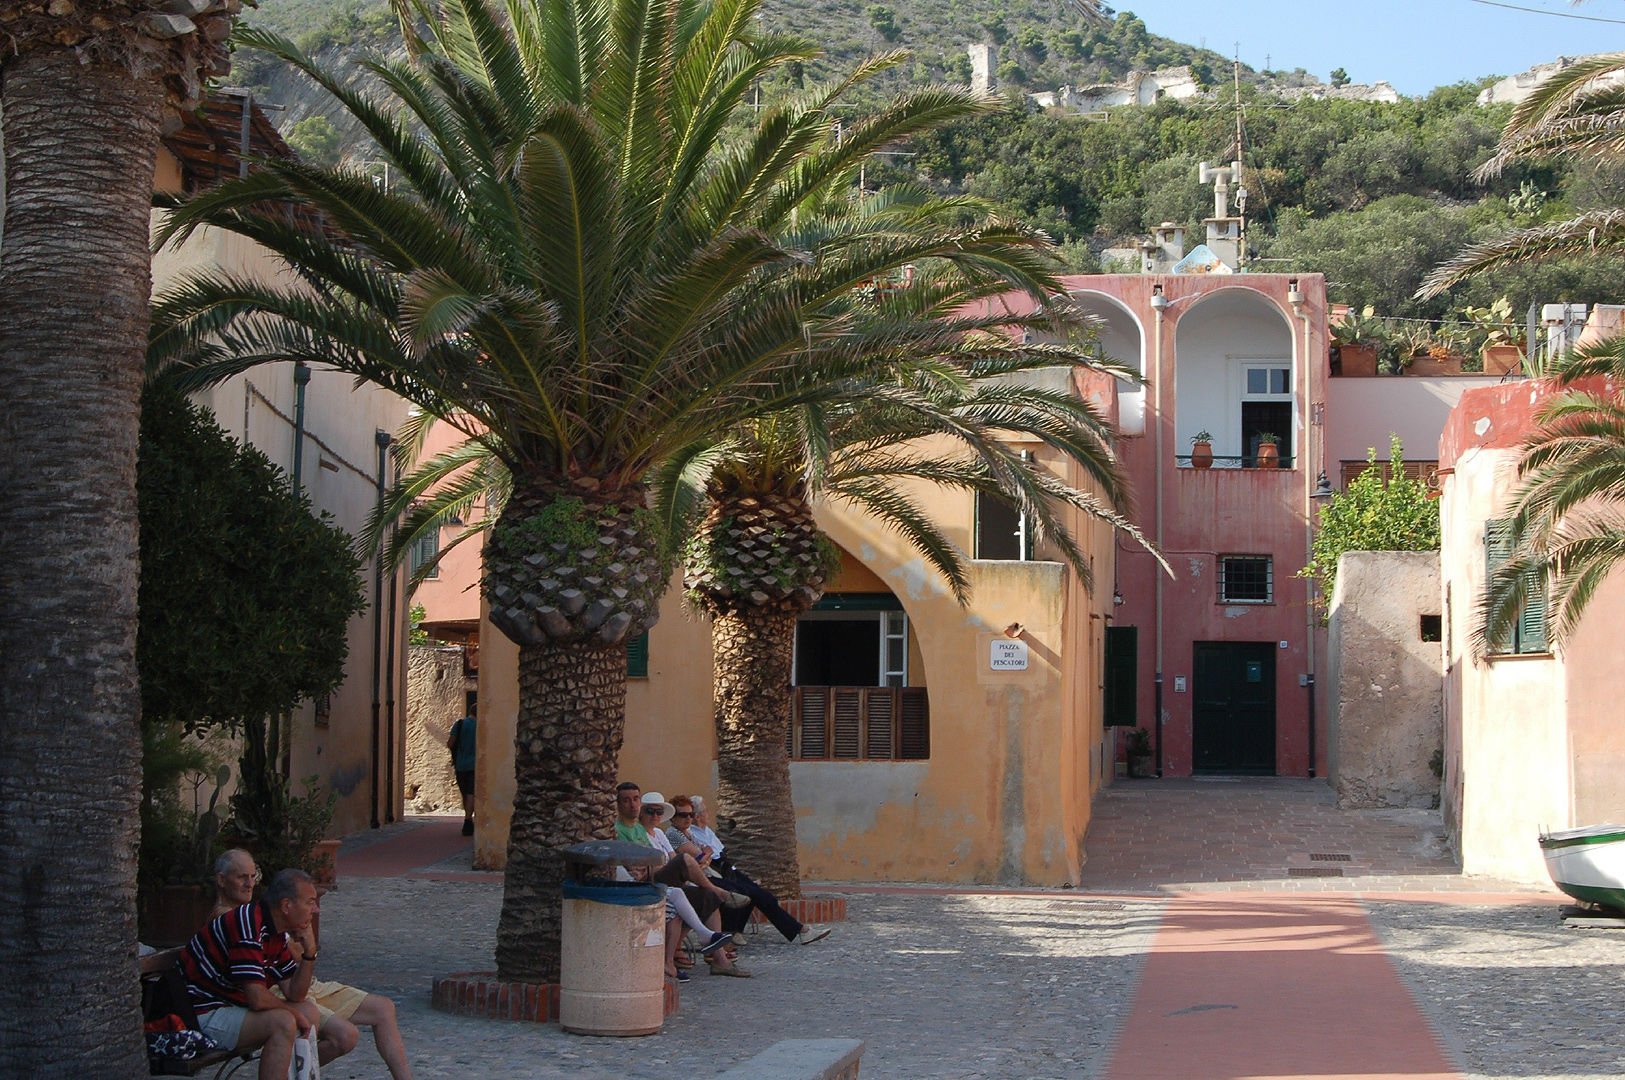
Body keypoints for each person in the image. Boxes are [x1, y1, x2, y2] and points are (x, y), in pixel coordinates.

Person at [208, 850, 414, 1080]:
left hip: (292, 986)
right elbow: (258, 993)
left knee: (382, 1008)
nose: (249, 884)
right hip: (256, 996)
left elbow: (296, 962)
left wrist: (309, 952)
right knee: (311, 1023)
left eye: (253, 877)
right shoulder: (237, 919)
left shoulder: (266, 921)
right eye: (241, 877)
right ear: (221, 880)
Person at [179, 868, 344, 1080]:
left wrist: (309, 953)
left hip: (230, 1006)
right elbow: (256, 998)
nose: (315, 910)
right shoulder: (248, 925)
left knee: (308, 1012)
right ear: (286, 906)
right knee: (283, 1022)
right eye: (310, 902)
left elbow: (295, 994)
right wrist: (294, 1014)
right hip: (202, 1014)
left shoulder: (274, 930)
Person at [674, 795, 830, 946]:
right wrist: (707, 853)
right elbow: (702, 856)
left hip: (726, 867)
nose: (707, 814)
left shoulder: (704, 831)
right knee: (745, 893)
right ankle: (735, 931)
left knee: (764, 896)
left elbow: (709, 852)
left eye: (690, 814)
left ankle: (799, 931)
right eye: (704, 811)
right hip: (714, 870)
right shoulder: (686, 833)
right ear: (699, 816)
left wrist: (707, 853)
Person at [447, 699, 477, 836]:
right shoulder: (481, 726)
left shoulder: (459, 725)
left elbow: (450, 743)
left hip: (460, 764)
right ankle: (468, 820)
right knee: (472, 792)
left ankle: (468, 817)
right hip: (475, 765)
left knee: (465, 793)